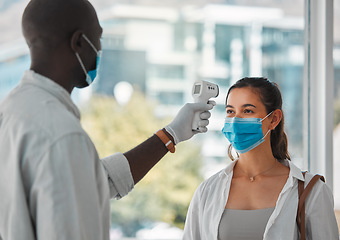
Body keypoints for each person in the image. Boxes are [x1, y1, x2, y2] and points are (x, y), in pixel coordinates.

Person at [0, 0, 215, 239]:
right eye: (98, 38)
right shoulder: (62, 134)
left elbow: (97, 181)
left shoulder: (13, 109)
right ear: (79, 42)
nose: (99, 48)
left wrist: (171, 133)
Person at [182, 77, 339, 240]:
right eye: (230, 111)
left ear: (274, 119)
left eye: (247, 111)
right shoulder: (207, 191)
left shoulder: (312, 191)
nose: (235, 120)